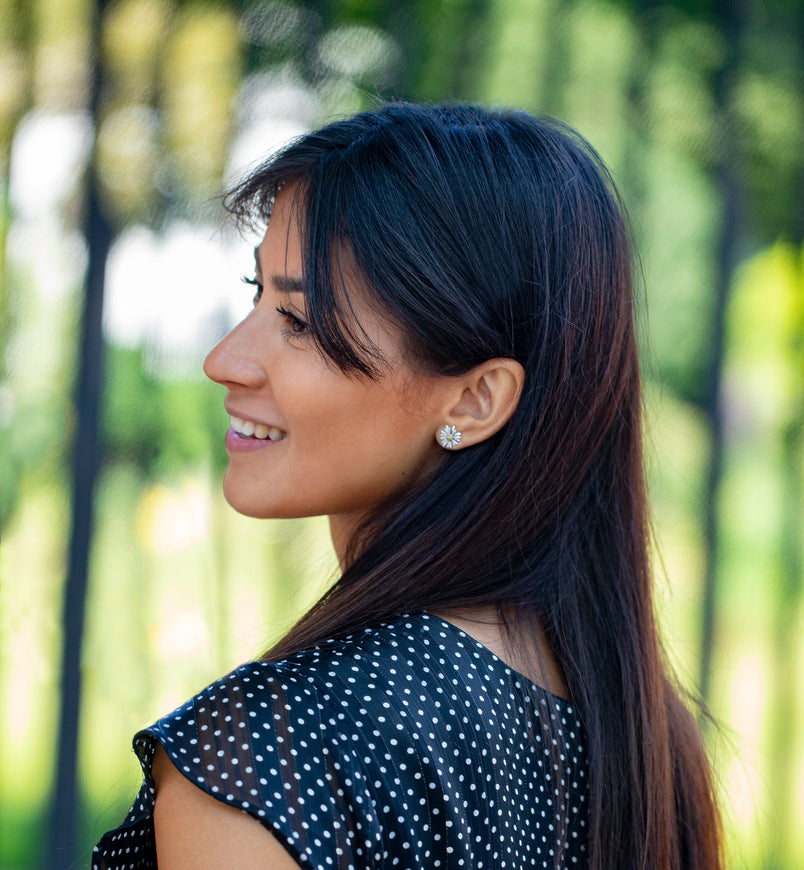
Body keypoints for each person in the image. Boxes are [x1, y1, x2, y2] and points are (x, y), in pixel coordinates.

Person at [93, 102, 723, 869]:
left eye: (300, 320)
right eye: (258, 293)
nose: (225, 358)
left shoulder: (274, 758)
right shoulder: (641, 736)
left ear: (475, 399)